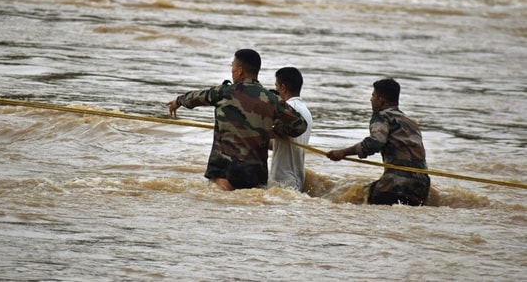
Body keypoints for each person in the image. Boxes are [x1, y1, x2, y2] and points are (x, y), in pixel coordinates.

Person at [167, 49, 308, 191]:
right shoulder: (272, 99)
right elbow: (300, 125)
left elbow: (196, 97)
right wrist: (275, 131)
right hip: (256, 175)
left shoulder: (223, 92)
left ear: (240, 71)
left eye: (232, 66)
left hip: (225, 170)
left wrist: (178, 101)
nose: (232, 70)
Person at [326, 78, 430, 206]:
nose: (371, 99)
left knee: (357, 201)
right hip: (422, 187)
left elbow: (375, 142)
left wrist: (343, 152)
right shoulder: (411, 122)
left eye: (373, 95)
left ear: (381, 100)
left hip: (395, 185)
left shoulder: (382, 116)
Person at [268, 67, 313, 192]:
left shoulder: (287, 111)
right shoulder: (306, 112)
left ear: (283, 87)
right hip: (297, 179)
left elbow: (271, 133)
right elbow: (282, 141)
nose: (276, 89)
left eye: (276, 85)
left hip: (282, 180)